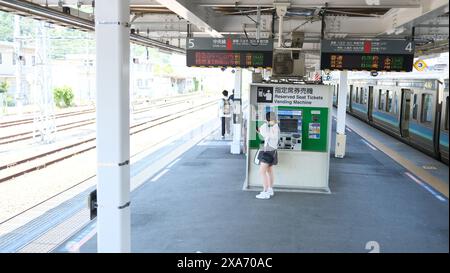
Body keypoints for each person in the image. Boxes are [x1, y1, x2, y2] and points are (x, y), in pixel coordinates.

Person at [255, 112, 280, 199]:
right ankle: (270, 189)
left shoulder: (274, 127)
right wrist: (261, 131)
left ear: (269, 119)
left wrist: (262, 130)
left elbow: (269, 135)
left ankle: (265, 192)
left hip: (268, 152)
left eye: (267, 119)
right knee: (269, 171)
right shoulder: (274, 127)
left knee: (262, 172)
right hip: (272, 151)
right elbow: (268, 136)